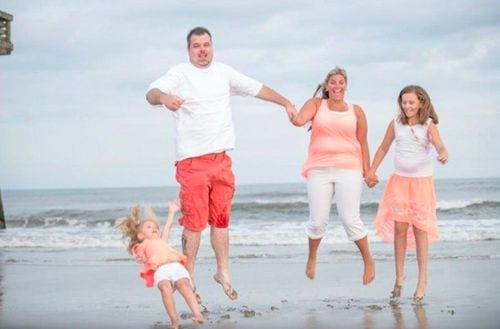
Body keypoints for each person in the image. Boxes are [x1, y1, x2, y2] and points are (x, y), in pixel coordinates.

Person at [145, 26, 296, 301]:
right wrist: (165, 98)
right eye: (196, 46)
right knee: (193, 224)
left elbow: (256, 88)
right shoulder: (179, 74)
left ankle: (222, 272)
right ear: (188, 49)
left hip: (222, 161)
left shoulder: (224, 73)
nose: (202, 50)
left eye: (206, 45)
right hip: (192, 162)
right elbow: (151, 93)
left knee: (221, 221)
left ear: (212, 46)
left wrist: (284, 102)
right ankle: (186, 277)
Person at [291, 66, 375, 285]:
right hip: (318, 168)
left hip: (349, 168)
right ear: (326, 86)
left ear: (346, 85)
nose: (337, 86)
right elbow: (300, 120)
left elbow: (363, 142)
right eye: (333, 82)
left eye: (341, 82)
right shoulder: (317, 105)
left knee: (350, 220)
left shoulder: (356, 111)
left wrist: (368, 171)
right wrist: (291, 113)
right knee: (318, 221)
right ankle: (312, 258)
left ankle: (368, 261)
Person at [365, 85, 448, 304]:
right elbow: (383, 147)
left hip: (421, 183)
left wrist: (442, 152)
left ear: (421, 102)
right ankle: (399, 277)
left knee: (421, 230)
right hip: (399, 181)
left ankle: (422, 281)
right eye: (404, 102)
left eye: (411, 102)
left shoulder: (428, 125)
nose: (407, 106)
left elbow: (439, 144)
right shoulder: (396, 124)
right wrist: (372, 170)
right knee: (400, 228)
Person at [116, 202, 204, 329]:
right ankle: (174, 321)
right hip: (161, 269)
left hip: (175, 266)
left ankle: (197, 314)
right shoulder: (142, 244)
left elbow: (167, 227)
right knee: (165, 289)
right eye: (149, 227)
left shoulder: (162, 240)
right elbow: (138, 255)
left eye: (155, 227)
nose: (154, 228)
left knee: (184, 286)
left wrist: (172, 212)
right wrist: (139, 255)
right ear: (140, 235)